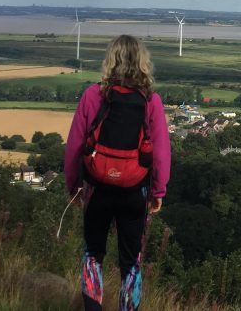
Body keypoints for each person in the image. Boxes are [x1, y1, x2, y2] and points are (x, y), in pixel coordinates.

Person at [64, 34, 171, 311]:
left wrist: (73, 185)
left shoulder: (93, 95)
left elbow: (75, 145)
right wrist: (158, 191)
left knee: (93, 254)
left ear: (110, 60)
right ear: (142, 62)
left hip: (96, 187)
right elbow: (160, 152)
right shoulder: (151, 100)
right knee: (131, 261)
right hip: (136, 190)